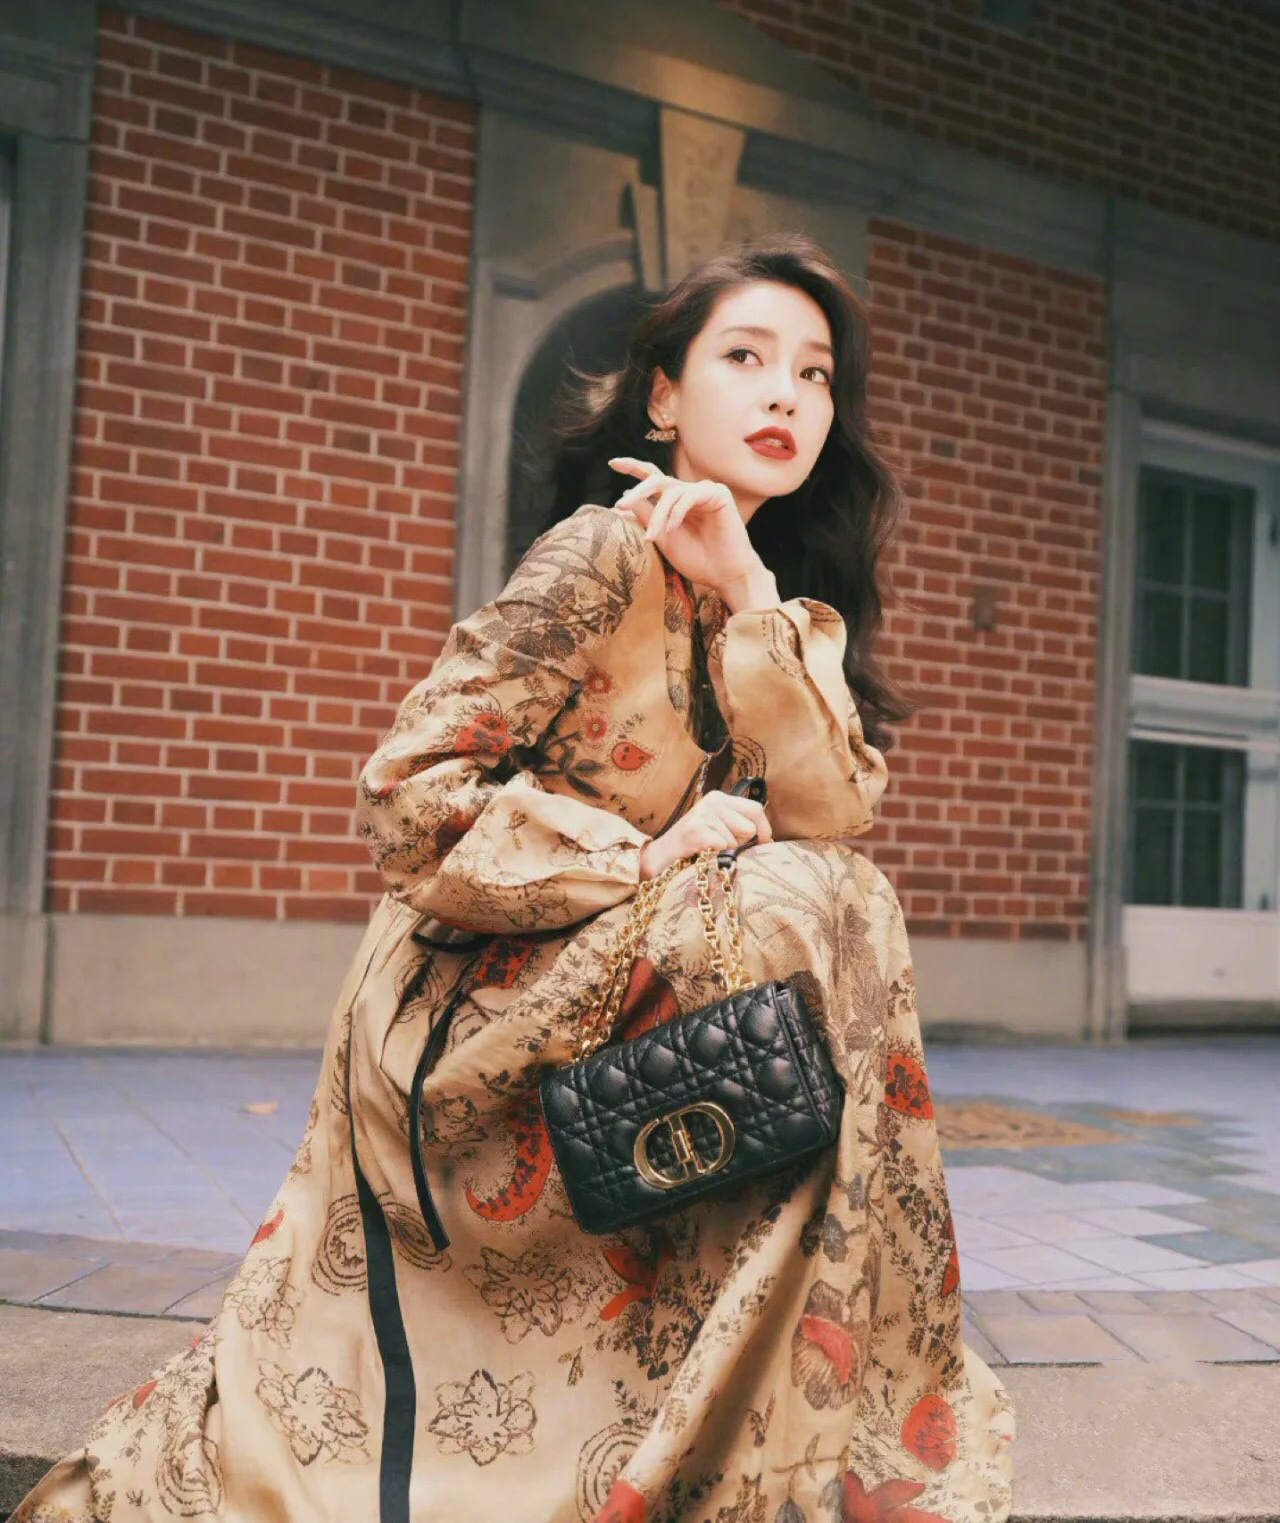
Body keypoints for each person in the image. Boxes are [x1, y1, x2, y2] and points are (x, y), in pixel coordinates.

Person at [14, 234, 1015, 1523]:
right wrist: (638, 856)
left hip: (626, 979)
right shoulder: (600, 556)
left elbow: (835, 807)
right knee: (800, 901)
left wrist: (749, 583)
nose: (786, 394)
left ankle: (763, 1406)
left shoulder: (760, 597)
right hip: (475, 999)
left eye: (816, 374)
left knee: (833, 891)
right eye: (746, 357)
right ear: (664, 396)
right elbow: (403, 798)